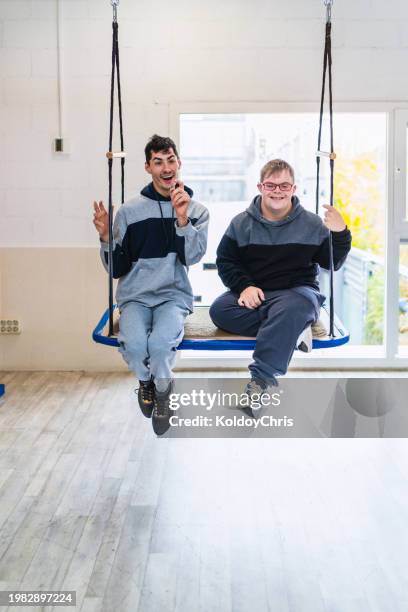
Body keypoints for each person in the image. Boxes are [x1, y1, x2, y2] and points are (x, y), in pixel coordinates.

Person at [209, 158, 351, 417]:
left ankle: (259, 382)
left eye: (284, 185)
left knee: (295, 306)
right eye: (271, 185)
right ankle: (295, 327)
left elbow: (333, 263)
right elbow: (225, 261)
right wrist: (245, 286)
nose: (277, 191)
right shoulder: (241, 223)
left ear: (294, 189)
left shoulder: (312, 224)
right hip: (259, 295)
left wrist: (340, 232)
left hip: (297, 293)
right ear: (260, 187)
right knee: (219, 310)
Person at [93, 135, 209, 435]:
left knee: (159, 347)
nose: (166, 167)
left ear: (179, 163)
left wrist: (182, 220)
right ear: (148, 167)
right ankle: (147, 384)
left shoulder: (197, 210)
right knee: (133, 346)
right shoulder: (130, 212)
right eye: (158, 162)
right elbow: (116, 268)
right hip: (135, 297)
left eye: (171, 160)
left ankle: (163, 394)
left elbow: (193, 257)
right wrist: (106, 236)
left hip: (173, 297)